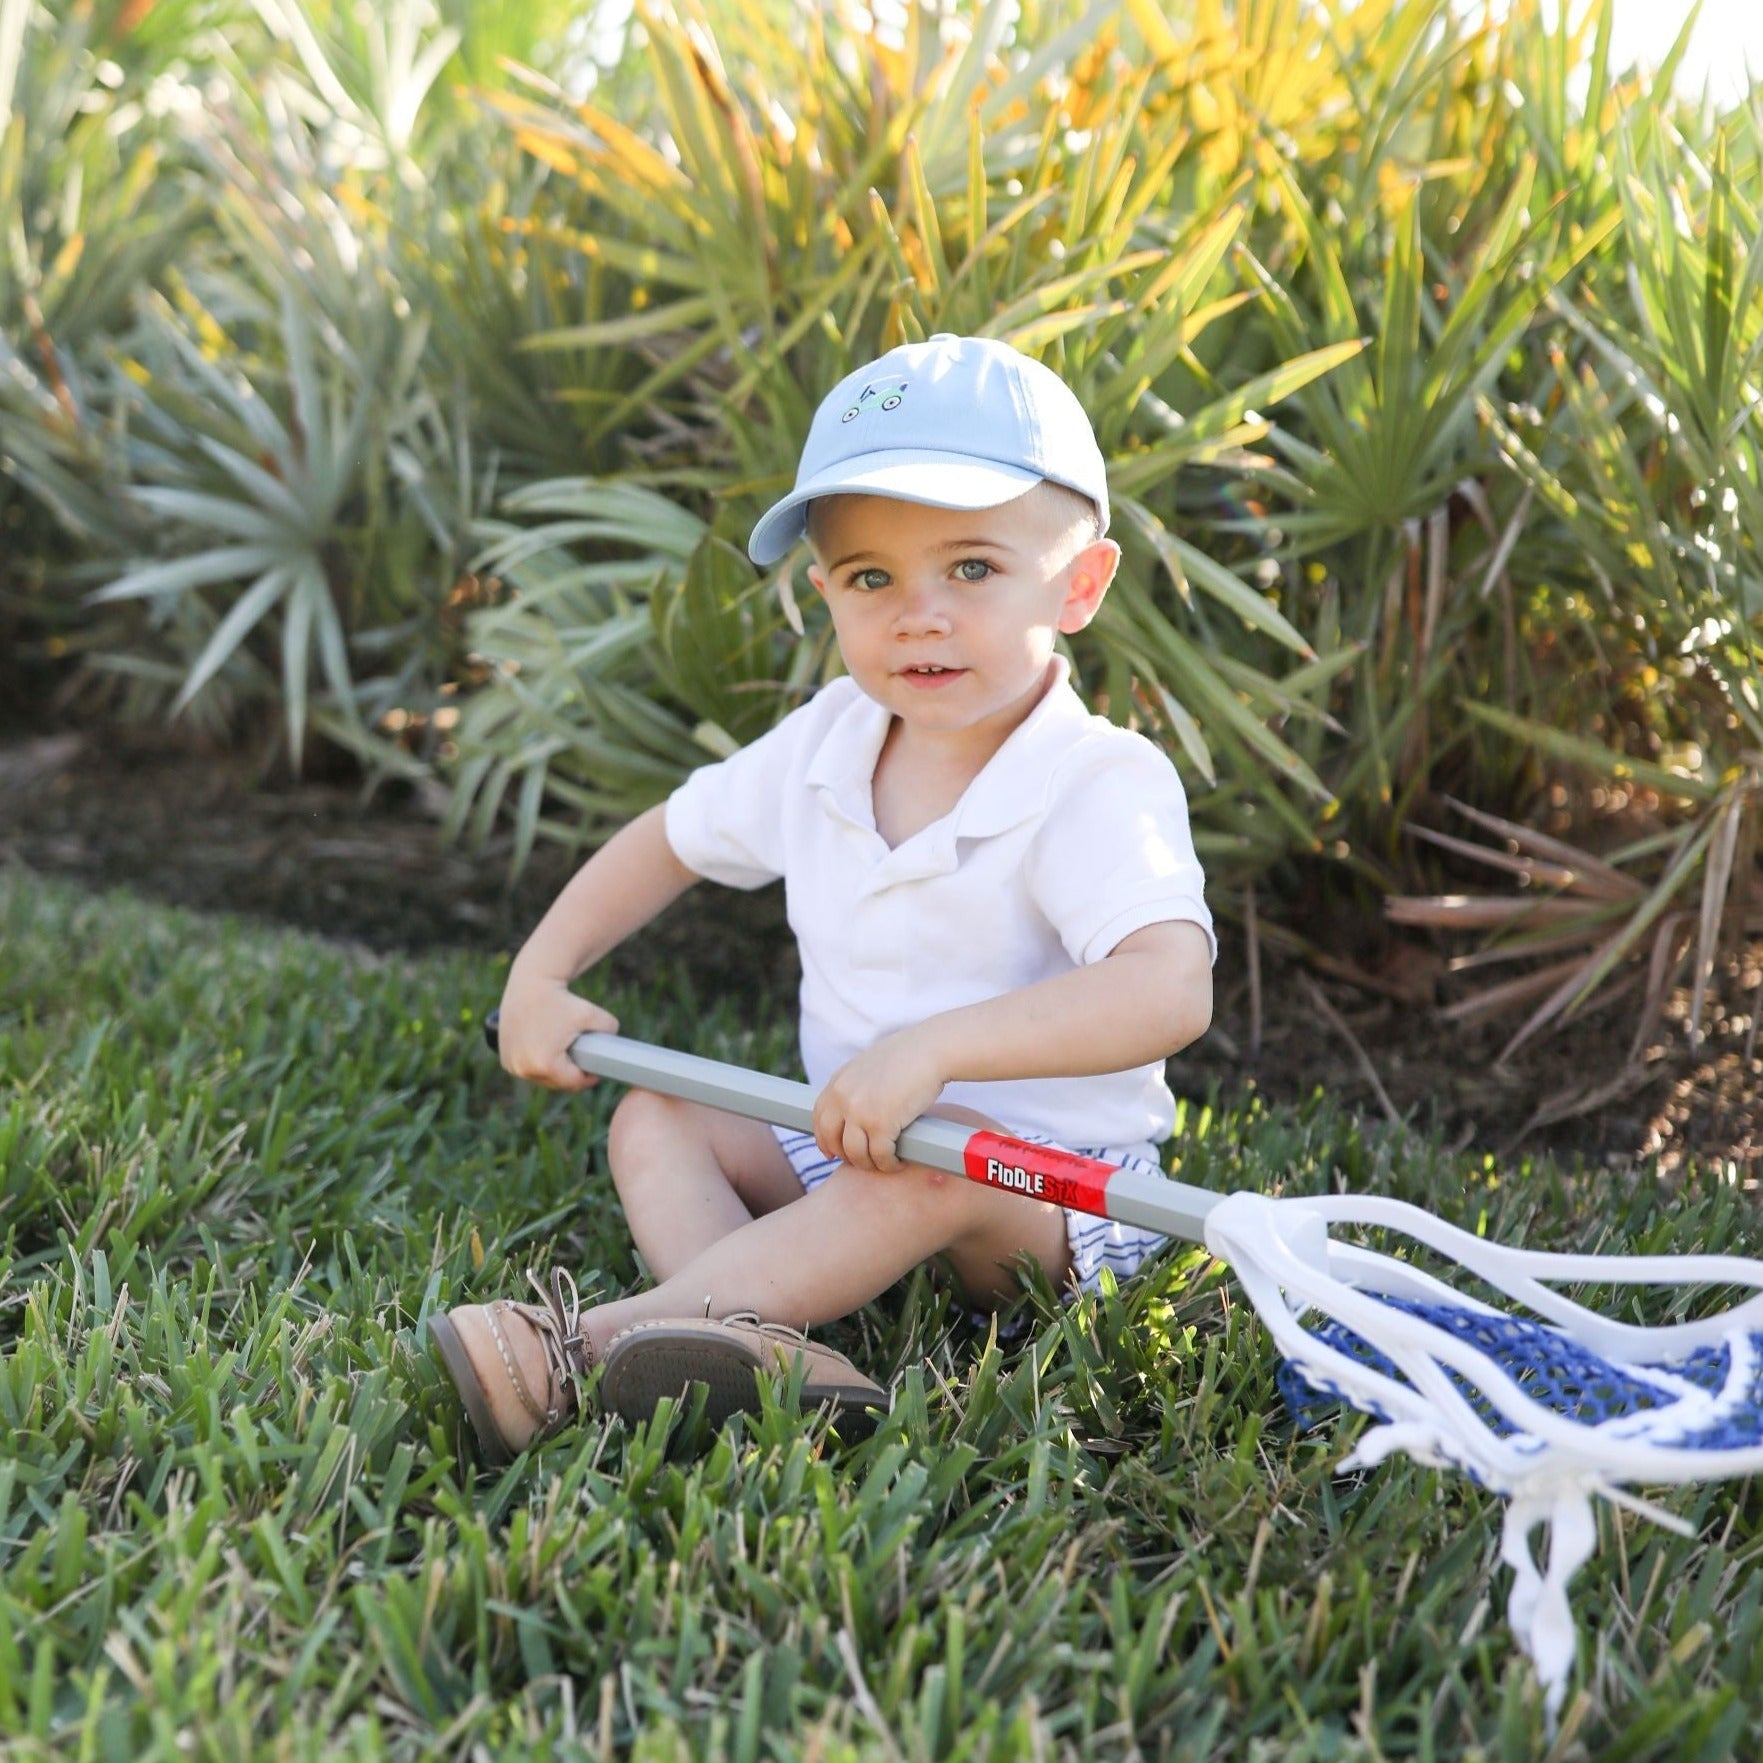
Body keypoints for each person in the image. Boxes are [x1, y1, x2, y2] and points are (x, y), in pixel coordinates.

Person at [429, 333, 1215, 1464]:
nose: (918, 613)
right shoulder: (828, 741)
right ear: (824, 593)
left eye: (974, 568)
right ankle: (750, 1341)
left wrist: (939, 1048)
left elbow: (1166, 987)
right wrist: (541, 972)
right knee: (655, 1115)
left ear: (1078, 584)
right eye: (870, 577)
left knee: (930, 1164)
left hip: (1041, 1192)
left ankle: (580, 1354)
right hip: (850, 1137)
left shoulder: (1094, 780)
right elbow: (670, 839)